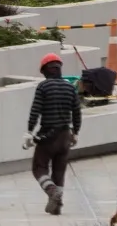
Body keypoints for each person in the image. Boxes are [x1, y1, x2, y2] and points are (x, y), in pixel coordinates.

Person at [25, 52, 82, 214]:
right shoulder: (70, 87)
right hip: (65, 136)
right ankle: (58, 205)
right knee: (59, 170)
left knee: (39, 167)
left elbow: (35, 110)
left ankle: (51, 191)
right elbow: (77, 112)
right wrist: (76, 132)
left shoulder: (43, 87)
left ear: (45, 70)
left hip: (48, 135)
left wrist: (30, 130)